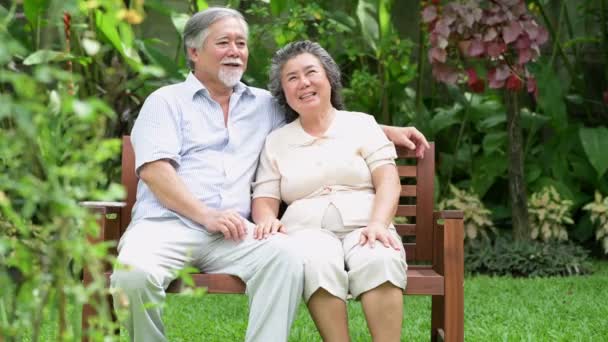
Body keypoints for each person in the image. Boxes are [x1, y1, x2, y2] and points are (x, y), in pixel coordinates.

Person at [110, 7, 429, 342]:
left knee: (287, 257)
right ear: (194, 52)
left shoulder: (263, 105)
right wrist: (206, 215)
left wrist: (384, 131)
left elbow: (318, 117)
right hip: (166, 226)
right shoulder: (165, 102)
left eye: (241, 43)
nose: (235, 51)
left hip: (233, 233)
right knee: (134, 276)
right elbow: (155, 171)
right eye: (224, 43)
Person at [252, 40, 414, 342]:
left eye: (311, 72)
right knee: (314, 261)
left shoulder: (362, 125)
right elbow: (265, 196)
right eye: (292, 78)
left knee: (380, 257)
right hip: (306, 230)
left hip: (367, 223)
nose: (304, 83)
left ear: (329, 78)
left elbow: (388, 180)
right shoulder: (276, 141)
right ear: (284, 93)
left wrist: (378, 223)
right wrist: (265, 219)